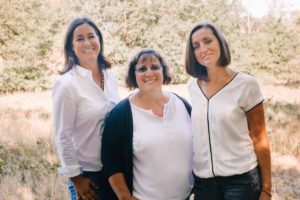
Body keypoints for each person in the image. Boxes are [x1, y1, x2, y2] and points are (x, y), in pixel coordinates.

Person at [185, 22, 272, 200]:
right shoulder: (192, 86)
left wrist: (267, 189)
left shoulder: (246, 84)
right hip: (204, 183)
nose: (203, 49)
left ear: (220, 43)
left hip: (241, 181)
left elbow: (260, 138)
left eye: (208, 41)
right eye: (196, 46)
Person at [101, 49, 193, 200]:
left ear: (163, 71)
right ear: (133, 74)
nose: (149, 73)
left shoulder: (182, 105)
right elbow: (111, 161)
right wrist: (124, 196)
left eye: (154, 67)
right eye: (142, 69)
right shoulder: (120, 114)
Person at [52, 17, 120, 200]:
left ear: (99, 40)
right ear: (71, 47)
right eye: (79, 38)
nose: (87, 42)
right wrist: (76, 178)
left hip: (115, 172)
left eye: (91, 36)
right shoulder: (67, 84)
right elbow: (62, 136)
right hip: (88, 176)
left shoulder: (111, 77)